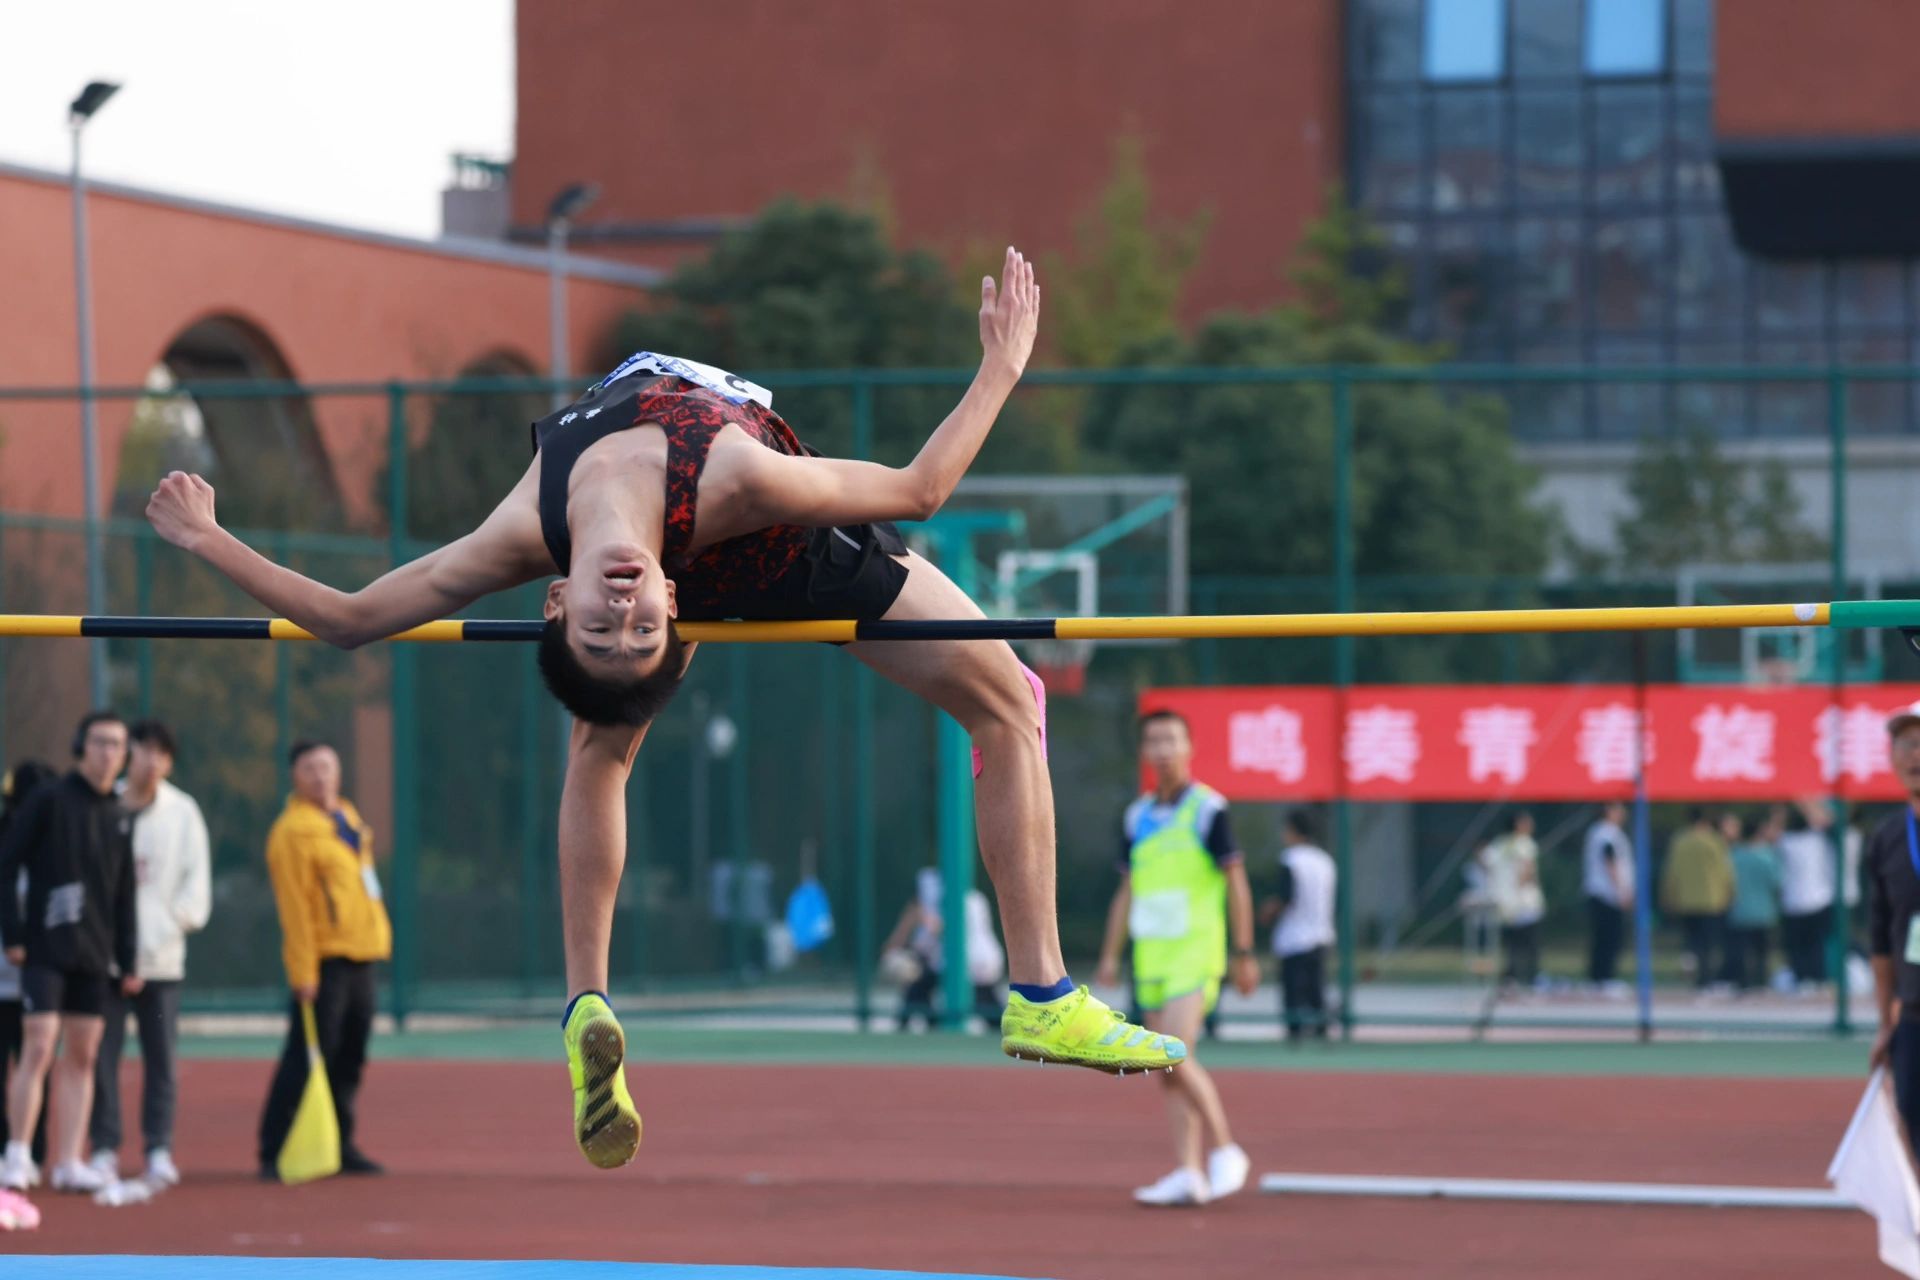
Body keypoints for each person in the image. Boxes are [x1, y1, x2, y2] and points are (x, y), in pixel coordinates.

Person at [146, 249, 1184, 1172]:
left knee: (982, 699)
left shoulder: (534, 522)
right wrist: (1003, 362)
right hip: (768, 542)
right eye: (636, 628)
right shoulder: (725, 482)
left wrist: (211, 538)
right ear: (673, 615)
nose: (625, 608)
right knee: (991, 697)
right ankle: (1027, 993)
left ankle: (1020, 995)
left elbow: (350, 614)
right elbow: (918, 488)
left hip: (753, 545)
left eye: (614, 623)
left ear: (560, 600)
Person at [1096, 709, 1255, 1208]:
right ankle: (1189, 1171)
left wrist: (1245, 951)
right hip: (1152, 956)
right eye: (1154, 741)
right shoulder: (1135, 815)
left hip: (1196, 951)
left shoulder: (1209, 810)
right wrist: (1109, 953)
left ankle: (1227, 1149)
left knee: (1176, 1051)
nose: (1162, 749)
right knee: (1164, 1067)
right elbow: (1126, 890)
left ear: (1189, 747)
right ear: (1144, 752)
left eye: (1171, 739)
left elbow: (1236, 881)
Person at [0, 712, 139, 1193]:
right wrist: (13, 934)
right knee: (39, 1043)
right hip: (44, 947)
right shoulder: (48, 800)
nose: (108, 753)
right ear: (81, 746)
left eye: (118, 745)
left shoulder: (120, 816)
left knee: (83, 1053)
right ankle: (17, 1153)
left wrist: (130, 957)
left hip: (95, 952)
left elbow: (124, 894)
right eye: (100, 742)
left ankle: (68, 1161)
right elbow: (6, 862)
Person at [256, 740, 391, 1179]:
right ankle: (274, 1149)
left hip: (361, 953)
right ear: (295, 776)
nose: (321, 776)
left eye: (327, 767)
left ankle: (339, 1142)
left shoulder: (346, 818)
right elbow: (294, 910)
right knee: (307, 1054)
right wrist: (303, 971)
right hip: (325, 962)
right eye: (310, 768)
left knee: (350, 1056)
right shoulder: (292, 832)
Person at [88, 720, 211, 1188]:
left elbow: (195, 893)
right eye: (145, 750)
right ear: (129, 754)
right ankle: (103, 1149)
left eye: (164, 753)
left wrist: (150, 943)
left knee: (162, 1061)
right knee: (102, 1058)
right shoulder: (104, 807)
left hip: (161, 963)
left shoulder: (184, 812)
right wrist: (113, 948)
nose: (153, 761)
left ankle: (158, 1148)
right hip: (105, 962)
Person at [1867, 701, 1920, 1156]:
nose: (1915, 756)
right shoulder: (1887, 838)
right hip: (1914, 1015)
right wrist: (1885, 1023)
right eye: (1906, 743)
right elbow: (1881, 937)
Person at [0, 763, 56, 1167]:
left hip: (39, 979)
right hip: (4, 980)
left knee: (36, 1062)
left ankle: (31, 1150)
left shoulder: (55, 846)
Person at [881, 868, 1005, 1031]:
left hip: (973, 963)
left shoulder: (955, 900)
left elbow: (938, 930)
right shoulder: (973, 897)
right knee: (919, 989)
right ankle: (921, 1024)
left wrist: (907, 945)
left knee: (984, 1003)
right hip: (984, 961)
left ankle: (922, 1025)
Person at [1261, 810, 1335, 1041]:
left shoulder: (1291, 859)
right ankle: (1322, 1032)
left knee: (1293, 992)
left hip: (1295, 937)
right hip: (1321, 934)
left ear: (1293, 830)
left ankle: (1295, 1035)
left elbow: (1287, 896)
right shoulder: (1325, 860)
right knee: (1316, 991)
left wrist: (1268, 911)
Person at [1660, 810, 1733, 991]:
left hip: (1687, 898)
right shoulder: (1714, 841)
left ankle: (1692, 968)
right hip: (1711, 898)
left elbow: (1671, 871)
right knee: (1709, 942)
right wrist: (1729, 892)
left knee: (1692, 940)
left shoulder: (1680, 840)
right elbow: (1725, 870)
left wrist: (1668, 894)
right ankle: (1706, 977)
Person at [1778, 798, 1837, 989]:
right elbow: (1827, 822)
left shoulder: (1785, 842)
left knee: (1798, 946)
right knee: (1817, 945)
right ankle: (1818, 978)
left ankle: (1801, 977)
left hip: (1794, 901)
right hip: (1819, 898)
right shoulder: (1818, 840)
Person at [1484, 812, 1545, 991]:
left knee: (1511, 943)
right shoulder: (1524, 843)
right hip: (1525, 900)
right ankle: (1533, 976)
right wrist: (1523, 886)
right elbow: (1527, 870)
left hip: (1504, 900)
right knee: (1531, 941)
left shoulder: (1500, 843)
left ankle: (1511, 977)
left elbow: (1485, 862)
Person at [1725, 812, 1783, 992]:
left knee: (1741, 952)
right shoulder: (1767, 856)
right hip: (1763, 912)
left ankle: (1742, 982)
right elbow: (1778, 882)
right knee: (1761, 953)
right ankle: (1760, 982)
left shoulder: (1733, 856)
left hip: (1739, 911)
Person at [1581, 801, 1634, 990]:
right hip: (1607, 893)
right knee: (1610, 937)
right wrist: (1622, 890)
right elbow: (1609, 861)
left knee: (1603, 937)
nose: (1623, 813)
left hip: (1601, 892)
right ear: (1609, 811)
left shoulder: (1598, 831)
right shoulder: (1607, 833)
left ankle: (1598, 976)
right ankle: (1604, 977)